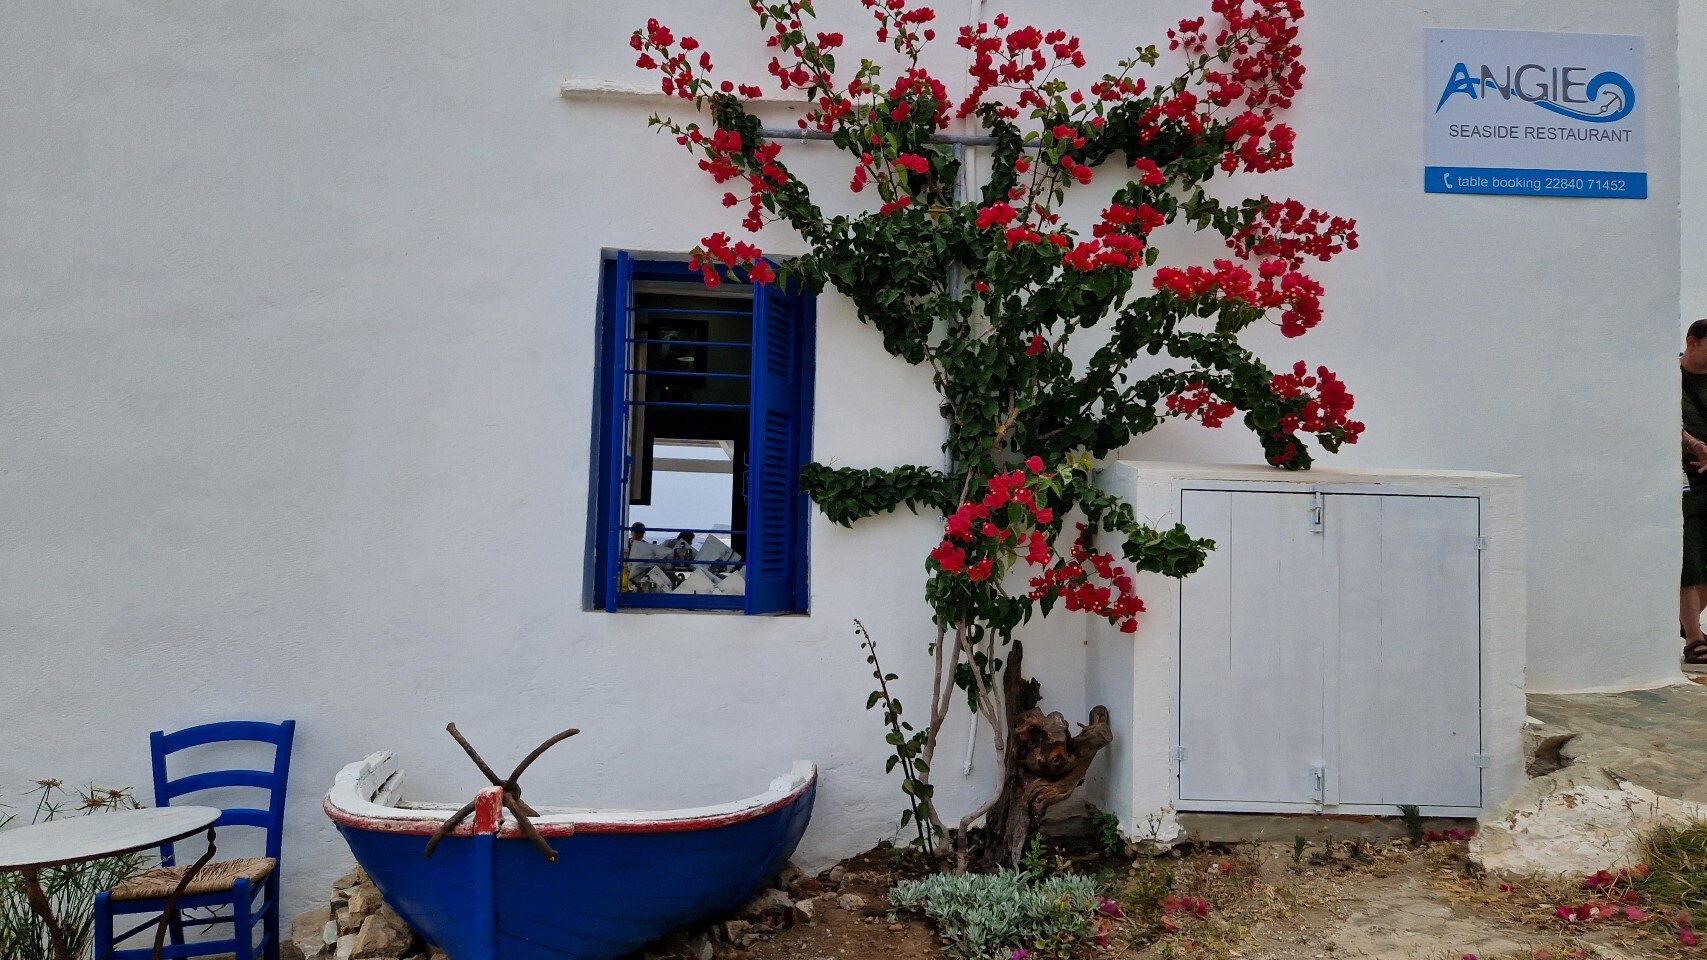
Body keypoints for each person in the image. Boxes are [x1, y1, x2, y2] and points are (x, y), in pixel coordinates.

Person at [1681, 319, 1707, 662]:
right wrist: (1696, 445)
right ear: (1692, 341)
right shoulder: (1667, 378)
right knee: (1690, 559)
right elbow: (1664, 421)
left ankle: (1684, 622)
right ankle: (1693, 638)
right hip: (1683, 480)